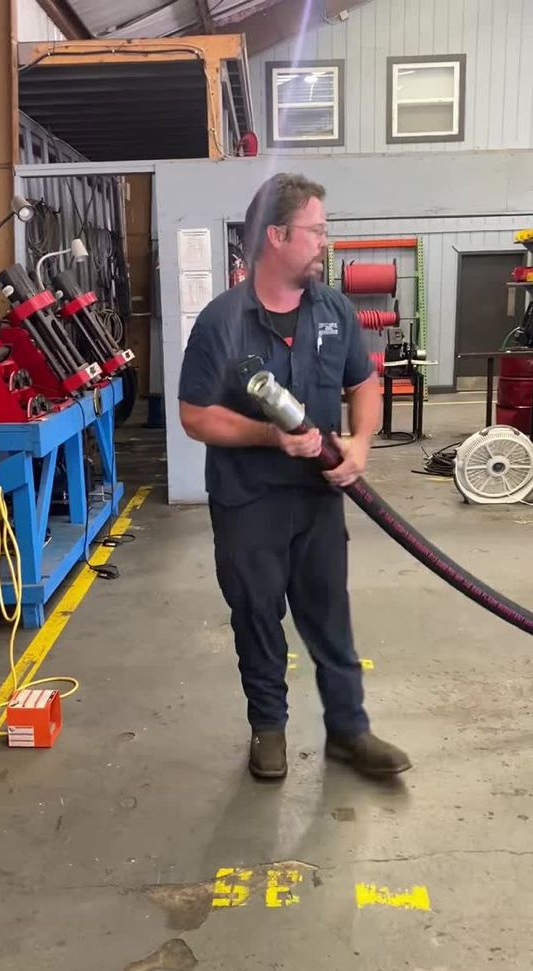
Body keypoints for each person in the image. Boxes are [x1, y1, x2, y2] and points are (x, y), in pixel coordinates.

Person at [178, 173, 411, 780]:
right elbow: (195, 416)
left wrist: (361, 442)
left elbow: (364, 383)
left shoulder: (333, 309)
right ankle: (269, 729)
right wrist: (269, 435)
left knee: (330, 615)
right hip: (248, 502)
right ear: (276, 236)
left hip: (319, 499)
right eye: (316, 231)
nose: (324, 243)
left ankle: (350, 732)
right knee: (257, 617)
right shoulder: (221, 321)